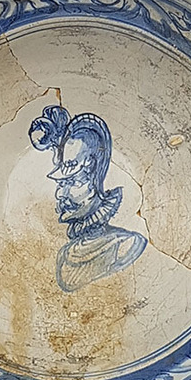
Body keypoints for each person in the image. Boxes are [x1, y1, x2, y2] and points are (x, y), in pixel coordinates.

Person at [29, 105, 147, 292]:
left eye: (72, 182)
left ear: (93, 173)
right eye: (60, 185)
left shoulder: (126, 244)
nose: (61, 195)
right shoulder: (64, 256)